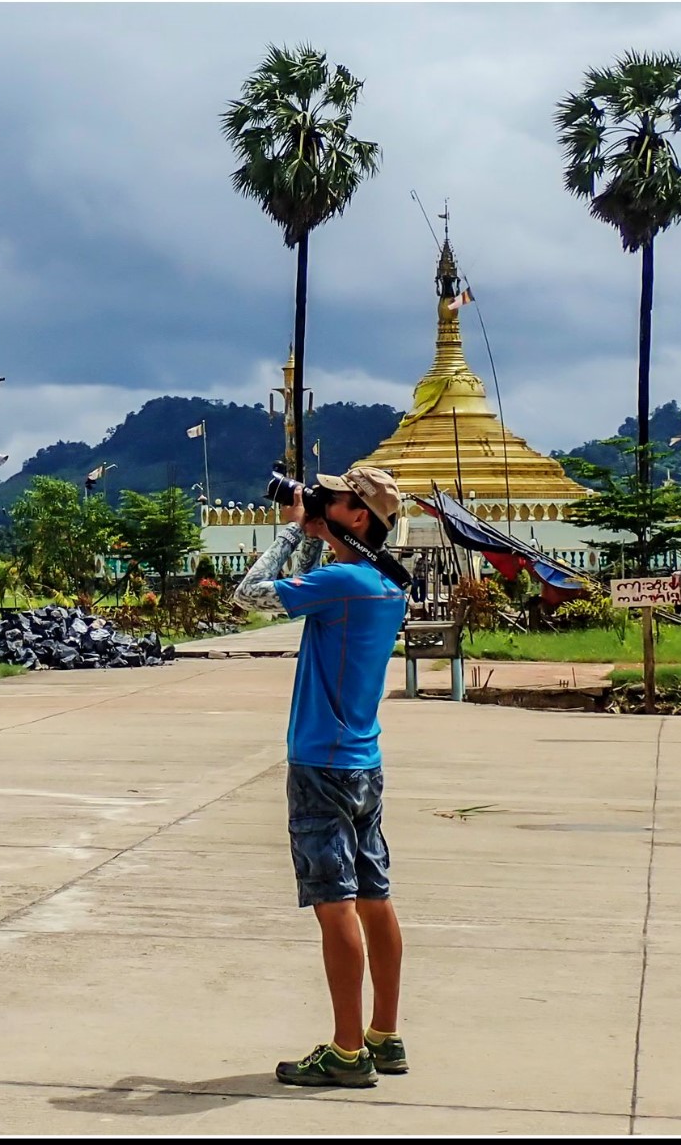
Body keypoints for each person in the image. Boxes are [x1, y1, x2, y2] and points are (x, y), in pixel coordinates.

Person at [232, 466, 411, 1089]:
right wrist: (317, 528)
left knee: (334, 904)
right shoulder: (386, 585)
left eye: (332, 498)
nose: (318, 500)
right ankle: (384, 1035)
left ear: (357, 517)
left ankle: (345, 1050)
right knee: (373, 895)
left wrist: (290, 532)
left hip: (321, 763)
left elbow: (248, 598)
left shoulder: (341, 581)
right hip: (363, 760)